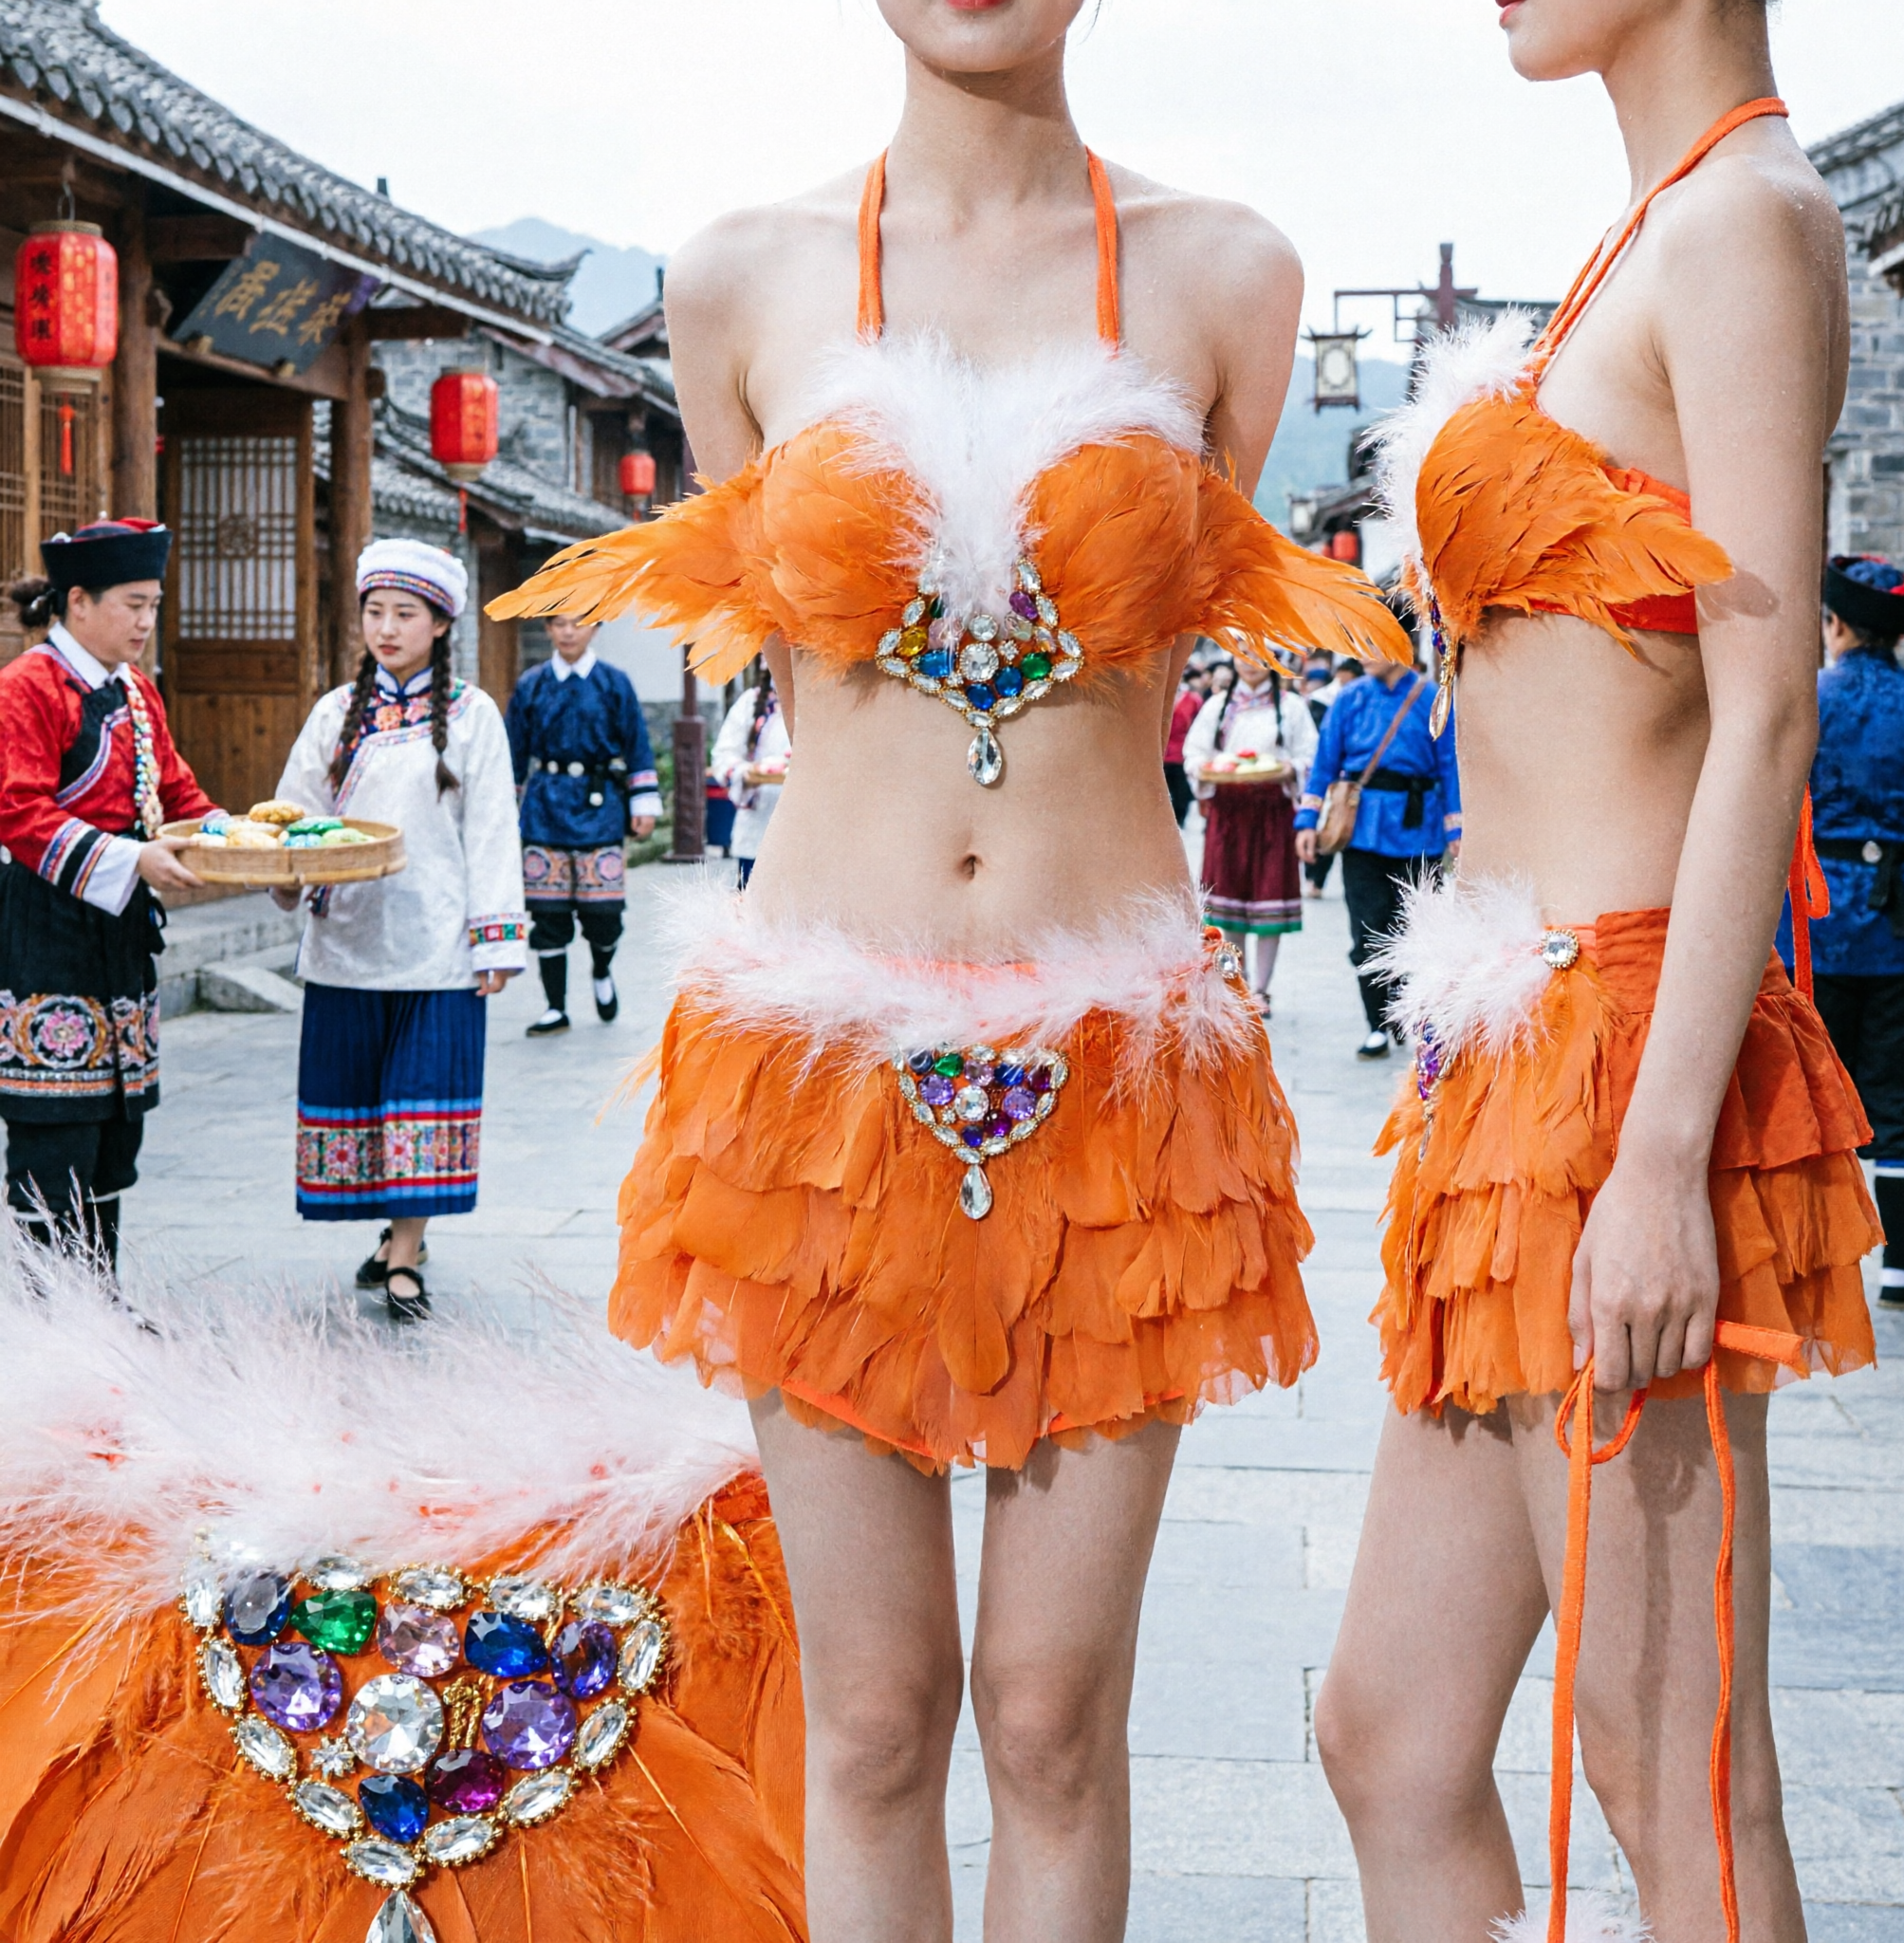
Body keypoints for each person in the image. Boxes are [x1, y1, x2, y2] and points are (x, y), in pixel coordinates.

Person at [488, 3, 1413, 1932]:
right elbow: (790, 673)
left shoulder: (1226, 271)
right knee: (877, 1713)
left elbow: (1166, 662)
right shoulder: (739, 277)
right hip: (811, 1085)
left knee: (1058, 1715)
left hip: (1116, 1076)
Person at [1313, 8, 1880, 1942]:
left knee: (1670, 1769)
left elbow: (1766, 714)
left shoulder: (1743, 216)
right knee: (1388, 1733)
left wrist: (1653, 1163)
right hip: (1511, 1056)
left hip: (1626, 1049)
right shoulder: (1651, 224)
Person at [271, 540, 527, 1322]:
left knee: (421, 1103)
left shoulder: (473, 715)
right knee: (364, 1100)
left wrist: (495, 939)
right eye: (374, 612)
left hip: (438, 944)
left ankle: (408, 1252)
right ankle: (392, 1234)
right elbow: (294, 815)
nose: (386, 628)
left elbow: (491, 829)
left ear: (440, 624)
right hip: (351, 940)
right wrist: (284, 875)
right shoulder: (333, 714)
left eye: (404, 614)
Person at [0, 522, 214, 1268]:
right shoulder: (27, 686)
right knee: (53, 1128)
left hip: (119, 933)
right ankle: (51, 1325)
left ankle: (101, 1308)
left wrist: (242, 845)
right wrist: (133, 860)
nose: (146, 622)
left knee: (114, 1131)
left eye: (154, 604)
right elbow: (19, 811)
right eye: (133, 604)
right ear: (79, 602)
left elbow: (177, 791)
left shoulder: (135, 691)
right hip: (47, 933)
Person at [1795, 556, 1904, 1311]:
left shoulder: (1806, 701)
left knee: (1817, 1096)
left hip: (1815, 930)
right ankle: (1901, 1268)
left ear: (1839, 624)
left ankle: (1816, 1262)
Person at [1294, 654, 1459, 1058]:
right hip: (1362, 829)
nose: (1365, 654)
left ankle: (1406, 1010)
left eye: (1374, 643)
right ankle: (1376, 1023)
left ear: (1401, 645)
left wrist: (1456, 827)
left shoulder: (1432, 699)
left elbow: (1450, 764)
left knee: (1414, 930)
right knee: (1366, 931)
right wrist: (1307, 819)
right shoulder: (1349, 699)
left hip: (1419, 829)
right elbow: (1324, 763)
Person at [506, 611, 659, 1036]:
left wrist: (643, 803)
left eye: (578, 622)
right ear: (548, 630)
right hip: (544, 809)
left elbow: (637, 747)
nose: (569, 630)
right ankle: (555, 1007)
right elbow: (513, 754)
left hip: (601, 807)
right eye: (558, 623)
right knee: (548, 914)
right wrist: (503, 811)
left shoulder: (614, 683)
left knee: (604, 914)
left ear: (595, 627)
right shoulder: (531, 685)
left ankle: (601, 970)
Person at [1184, 666, 1319, 1015]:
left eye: (1260, 654)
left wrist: (1291, 769)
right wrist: (1206, 768)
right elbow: (1194, 753)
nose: (1250, 662)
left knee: (1268, 900)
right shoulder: (1218, 706)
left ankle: (1261, 989)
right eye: (1243, 652)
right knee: (1229, 908)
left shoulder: (1291, 707)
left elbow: (1311, 756)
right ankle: (1235, 985)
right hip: (1228, 813)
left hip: (1273, 814)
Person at [711, 656, 791, 887]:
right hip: (757, 828)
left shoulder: (823, 703)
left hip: (809, 831)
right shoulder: (751, 702)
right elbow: (723, 756)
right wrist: (748, 773)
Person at [1161, 661, 1209, 826]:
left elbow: (1200, 726)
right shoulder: (1156, 696)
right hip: (1160, 752)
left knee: (1180, 793)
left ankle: (1179, 821)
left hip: (1182, 752)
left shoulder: (1194, 699)